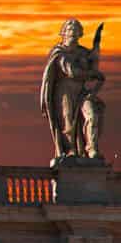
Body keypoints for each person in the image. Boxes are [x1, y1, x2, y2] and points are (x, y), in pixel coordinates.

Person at [40, 17, 104, 160]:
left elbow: (93, 63)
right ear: (64, 33)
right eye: (70, 29)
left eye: (77, 30)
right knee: (68, 124)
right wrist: (91, 73)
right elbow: (71, 71)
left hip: (82, 92)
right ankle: (70, 152)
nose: (74, 32)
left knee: (92, 116)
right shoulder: (59, 52)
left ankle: (92, 149)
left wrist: (95, 52)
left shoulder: (83, 52)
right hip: (64, 92)